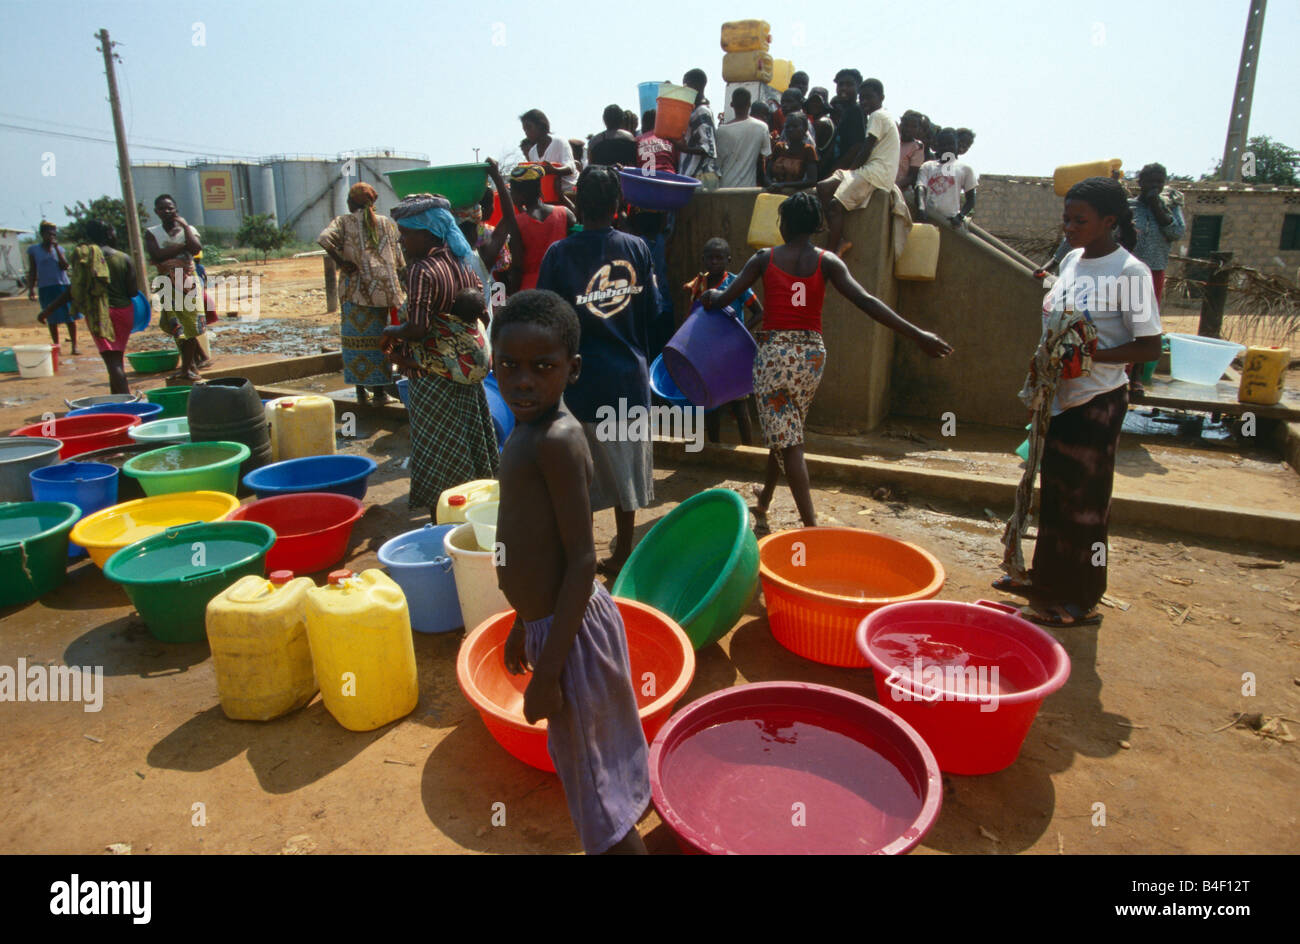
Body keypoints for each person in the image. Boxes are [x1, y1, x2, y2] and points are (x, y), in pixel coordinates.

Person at [492, 290, 649, 855]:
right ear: (492, 361)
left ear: (572, 369)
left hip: (572, 634)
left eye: (543, 367)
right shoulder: (526, 431)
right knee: (598, 769)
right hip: (553, 623)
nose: (523, 381)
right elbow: (542, 551)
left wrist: (550, 672)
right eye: (508, 365)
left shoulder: (557, 439)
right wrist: (520, 620)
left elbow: (583, 559)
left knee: (596, 796)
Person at [702, 192, 952, 526]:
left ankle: (811, 526)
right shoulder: (828, 262)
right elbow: (867, 301)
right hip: (811, 357)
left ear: (785, 223)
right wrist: (918, 334)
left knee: (788, 440)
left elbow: (725, 300)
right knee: (788, 430)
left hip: (775, 356)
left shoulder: (764, 258)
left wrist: (710, 295)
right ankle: (764, 498)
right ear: (816, 226)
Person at [998, 177, 1162, 627]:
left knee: (1086, 505)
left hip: (1096, 400)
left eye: (1080, 220)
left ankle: (1081, 596)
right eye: (1066, 218)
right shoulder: (1071, 259)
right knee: (1055, 494)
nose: (1069, 227)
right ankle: (1046, 580)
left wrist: (1087, 356)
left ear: (1109, 222)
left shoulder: (1129, 273)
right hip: (1058, 399)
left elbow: (1149, 347)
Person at [535, 165, 659, 577]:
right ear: (619, 205)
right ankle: (623, 551)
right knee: (625, 476)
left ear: (575, 204)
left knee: (578, 479)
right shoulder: (638, 248)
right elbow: (653, 311)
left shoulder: (559, 254)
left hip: (578, 384)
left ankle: (581, 559)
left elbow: (547, 320)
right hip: (628, 376)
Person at [382, 193, 499, 512]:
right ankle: (477, 505)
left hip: (431, 377)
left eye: (406, 234)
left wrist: (390, 332)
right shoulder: (462, 261)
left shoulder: (423, 269)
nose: (403, 243)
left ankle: (446, 513)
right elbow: (482, 316)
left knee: (440, 448)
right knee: (468, 439)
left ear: (427, 231)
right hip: (465, 373)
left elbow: (417, 328)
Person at [318, 182, 406, 405]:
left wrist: (342, 263)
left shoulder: (344, 222)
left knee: (355, 343)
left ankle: (360, 392)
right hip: (381, 294)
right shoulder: (386, 223)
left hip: (354, 292)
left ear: (351, 202)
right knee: (381, 342)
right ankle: (379, 393)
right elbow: (399, 259)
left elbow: (324, 239)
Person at [35, 220, 136, 395]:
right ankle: (117, 400)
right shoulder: (124, 258)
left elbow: (74, 289)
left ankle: (126, 403)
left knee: (113, 363)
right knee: (116, 358)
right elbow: (133, 292)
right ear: (108, 234)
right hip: (124, 312)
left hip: (98, 314)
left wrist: (48, 309)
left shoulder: (85, 259)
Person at [682, 237, 764, 445]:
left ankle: (748, 449)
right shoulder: (699, 283)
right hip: (708, 353)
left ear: (728, 260)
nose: (714, 262)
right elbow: (692, 313)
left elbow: (759, 312)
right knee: (711, 403)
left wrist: (740, 332)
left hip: (732, 353)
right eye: (710, 258)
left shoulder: (737, 283)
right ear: (703, 260)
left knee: (739, 403)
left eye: (719, 258)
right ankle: (714, 446)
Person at [817, 77, 899, 257]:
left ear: (881, 97)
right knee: (822, 187)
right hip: (867, 170)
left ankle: (830, 253)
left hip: (875, 173)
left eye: (869, 97)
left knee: (835, 206)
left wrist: (851, 172)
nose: (864, 102)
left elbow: (865, 148)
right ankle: (838, 238)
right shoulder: (876, 117)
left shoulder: (878, 115)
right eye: (862, 98)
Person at [144, 194, 206, 381]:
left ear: (176, 209)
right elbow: (157, 254)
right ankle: (189, 366)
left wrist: (185, 226)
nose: (167, 211)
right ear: (156, 211)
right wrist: (181, 247)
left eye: (170, 208)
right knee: (177, 325)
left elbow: (195, 249)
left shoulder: (189, 229)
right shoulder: (152, 232)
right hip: (168, 282)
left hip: (187, 281)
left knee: (191, 321)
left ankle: (189, 366)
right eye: (162, 208)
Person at [455, 158, 521, 323]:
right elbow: (508, 217)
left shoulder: (441, 256)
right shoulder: (482, 254)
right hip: (484, 325)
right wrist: (497, 176)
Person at [510, 164, 576, 292]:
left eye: (512, 192)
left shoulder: (517, 222)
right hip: (561, 287)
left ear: (521, 195)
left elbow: (517, 266)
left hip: (530, 291)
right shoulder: (564, 213)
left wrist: (512, 296)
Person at [26, 222, 79, 354]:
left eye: (54, 234)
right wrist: (31, 288)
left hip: (62, 285)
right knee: (51, 317)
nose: (52, 237)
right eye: (49, 234)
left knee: (70, 317)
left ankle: (74, 346)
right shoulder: (34, 250)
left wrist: (56, 249)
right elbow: (32, 270)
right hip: (46, 287)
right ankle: (57, 346)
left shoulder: (60, 249)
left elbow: (65, 266)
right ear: (42, 234)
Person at [916, 128, 978, 228]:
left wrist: (960, 216)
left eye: (950, 144)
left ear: (957, 144)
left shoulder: (965, 169)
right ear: (938, 146)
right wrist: (921, 208)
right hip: (928, 219)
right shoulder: (927, 167)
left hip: (950, 223)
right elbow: (920, 188)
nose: (947, 147)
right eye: (943, 145)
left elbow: (971, 200)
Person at [715, 87, 771, 188]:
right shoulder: (762, 127)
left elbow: (717, 164)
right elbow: (763, 158)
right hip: (749, 189)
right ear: (750, 104)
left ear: (731, 104)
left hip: (725, 187)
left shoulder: (722, 130)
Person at [520, 109, 578, 205]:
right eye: (525, 130)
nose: (526, 132)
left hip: (568, 192)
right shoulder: (532, 152)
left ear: (540, 125)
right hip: (547, 197)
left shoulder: (559, 142)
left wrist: (553, 170)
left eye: (529, 128)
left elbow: (570, 167)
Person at [675, 69, 719, 189]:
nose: (684, 88)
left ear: (698, 85)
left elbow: (708, 148)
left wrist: (684, 148)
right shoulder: (692, 111)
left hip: (701, 176)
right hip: (691, 176)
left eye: (686, 84)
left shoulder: (702, 112)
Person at [820, 68, 865, 178]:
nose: (843, 88)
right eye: (840, 85)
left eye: (849, 85)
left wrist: (834, 172)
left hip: (845, 173)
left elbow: (856, 147)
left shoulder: (856, 111)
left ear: (858, 89)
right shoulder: (845, 112)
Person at [767, 114, 820, 189]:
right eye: (787, 127)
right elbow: (767, 174)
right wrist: (771, 184)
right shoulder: (779, 147)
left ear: (805, 128)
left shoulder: (808, 150)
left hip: (794, 195)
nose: (790, 130)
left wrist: (784, 185)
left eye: (795, 126)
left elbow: (811, 180)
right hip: (775, 192)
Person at [896, 110, 926, 191]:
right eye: (906, 125)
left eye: (914, 126)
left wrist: (895, 186)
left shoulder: (917, 147)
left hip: (901, 189)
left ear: (919, 129)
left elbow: (912, 176)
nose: (908, 129)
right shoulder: (893, 140)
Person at [805, 88, 836, 155]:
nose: (813, 104)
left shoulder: (820, 123)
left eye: (817, 102)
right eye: (811, 101)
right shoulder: (826, 120)